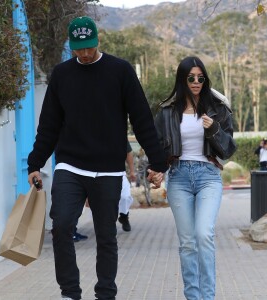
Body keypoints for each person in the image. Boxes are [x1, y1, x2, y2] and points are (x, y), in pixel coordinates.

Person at [27, 16, 167, 300]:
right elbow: (49, 125)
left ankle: (105, 293)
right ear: (72, 46)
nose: (85, 53)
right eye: (79, 49)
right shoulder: (62, 75)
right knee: (62, 224)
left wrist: (157, 162)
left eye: (89, 47)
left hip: (108, 169)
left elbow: (141, 120)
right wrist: (35, 163)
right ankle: (70, 292)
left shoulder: (120, 71)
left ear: (97, 41)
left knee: (106, 236)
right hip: (70, 164)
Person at [155, 56, 237, 300]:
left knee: (204, 234)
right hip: (178, 177)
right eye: (191, 77)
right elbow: (157, 146)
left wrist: (213, 130)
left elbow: (229, 148)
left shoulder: (218, 107)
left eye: (201, 78)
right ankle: (193, 297)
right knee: (188, 242)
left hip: (208, 177)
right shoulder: (168, 111)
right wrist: (155, 168)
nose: (196, 82)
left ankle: (208, 297)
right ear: (182, 79)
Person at [118, 140, 136, 232]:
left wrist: (132, 171)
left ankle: (124, 216)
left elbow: (128, 153)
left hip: (119, 172)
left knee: (125, 196)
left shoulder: (119, 132)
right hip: (99, 173)